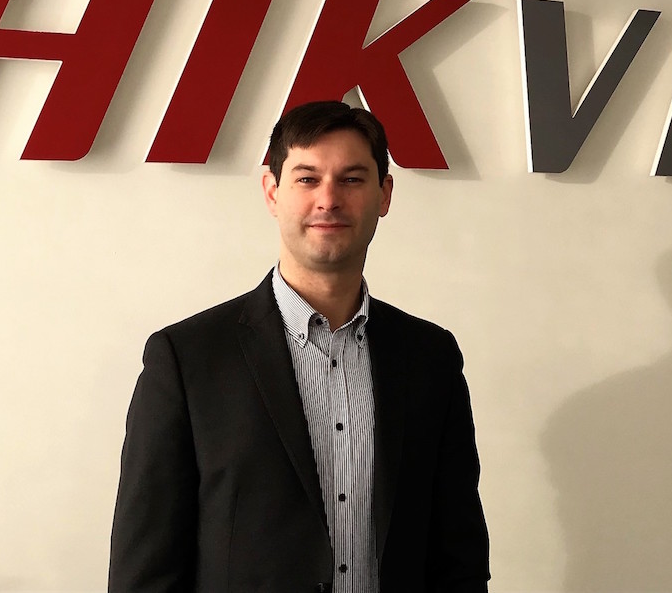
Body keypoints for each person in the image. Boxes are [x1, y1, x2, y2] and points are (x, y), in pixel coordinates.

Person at [108, 101, 490, 592]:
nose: (328, 199)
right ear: (272, 192)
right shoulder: (187, 359)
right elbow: (144, 571)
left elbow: (459, 556)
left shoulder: (431, 358)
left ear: (384, 194)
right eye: (307, 179)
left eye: (352, 179)